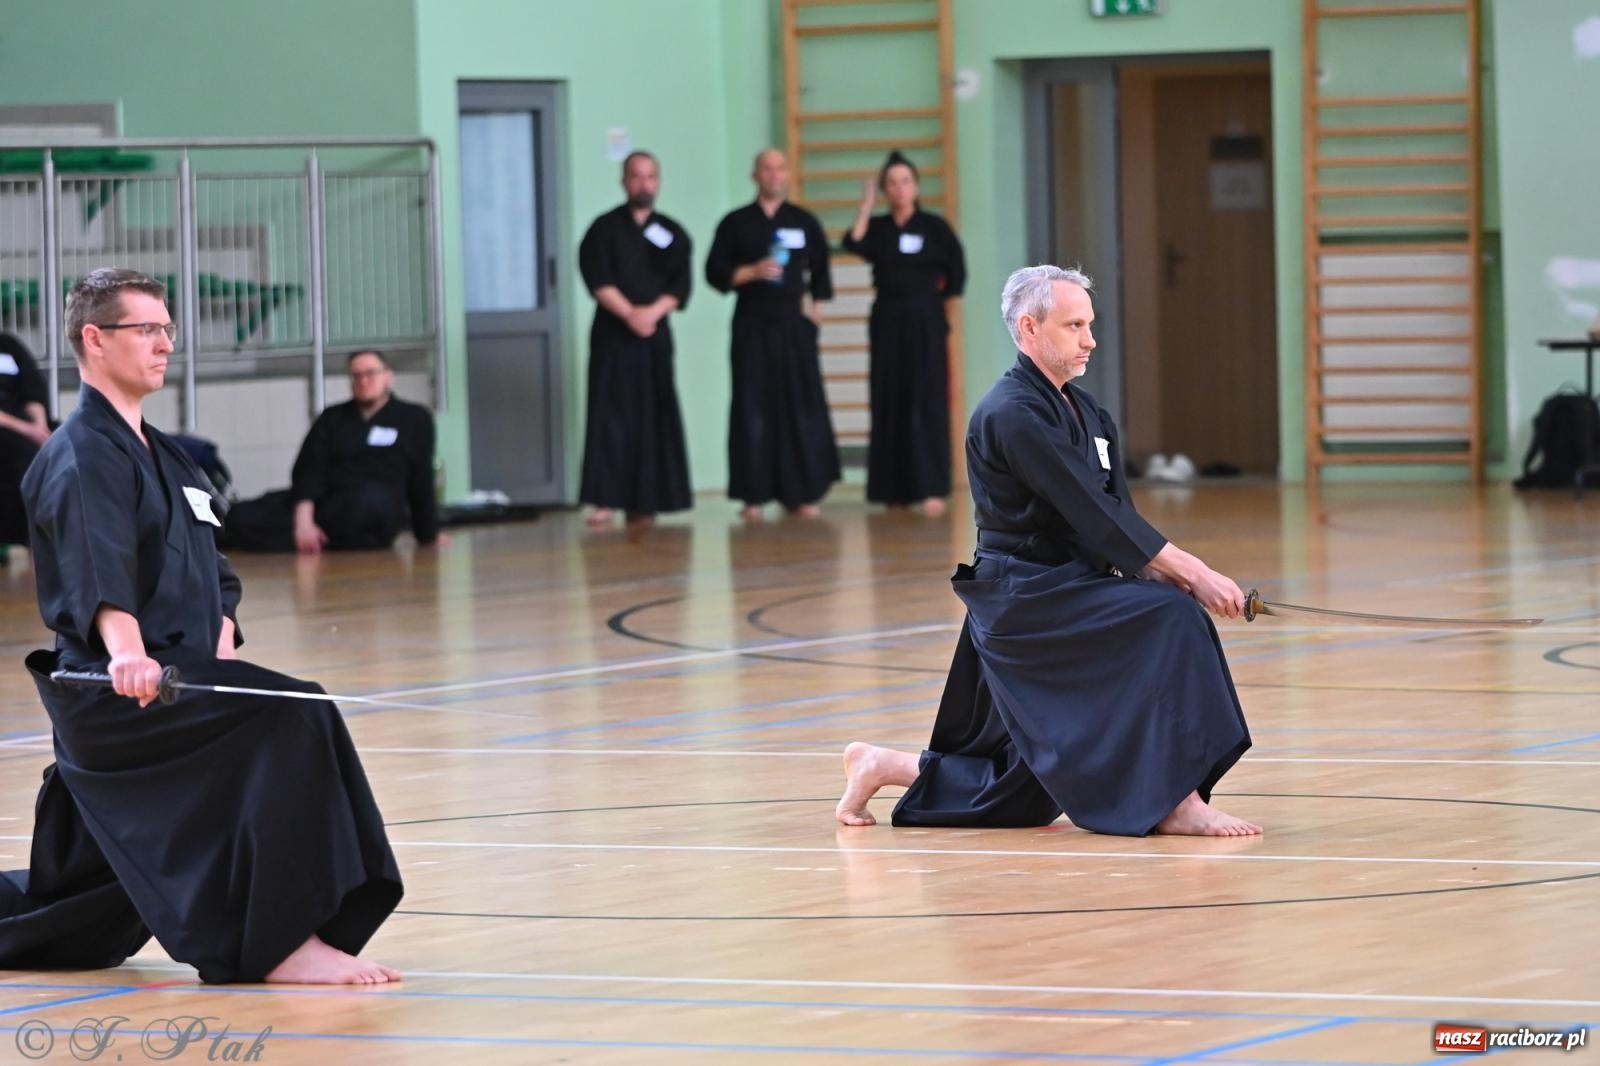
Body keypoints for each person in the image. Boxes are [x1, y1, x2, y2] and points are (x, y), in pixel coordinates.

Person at [0, 268, 403, 984]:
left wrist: (222, 639)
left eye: (167, 329)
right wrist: (127, 654)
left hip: (185, 681)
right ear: (94, 340)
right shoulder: (80, 452)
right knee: (291, 718)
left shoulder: (173, 454)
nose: (164, 345)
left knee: (72, 919)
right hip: (120, 697)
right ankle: (279, 944)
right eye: (146, 329)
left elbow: (212, 567)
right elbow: (101, 563)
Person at [835, 265, 1261, 838]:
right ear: (1029, 329)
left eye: (1090, 324)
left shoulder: (1091, 414)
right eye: (1074, 325)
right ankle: (1176, 800)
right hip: (1026, 596)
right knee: (1172, 622)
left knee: (1029, 791)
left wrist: (1164, 574)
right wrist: (1195, 574)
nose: (1089, 339)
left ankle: (882, 764)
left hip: (1072, 586)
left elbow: (1119, 514)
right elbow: (1091, 511)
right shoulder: (1011, 413)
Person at [705, 148, 839, 520]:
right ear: (755, 175)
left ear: (788, 175)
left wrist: (813, 318)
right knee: (752, 405)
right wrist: (749, 271)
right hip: (751, 323)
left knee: (800, 405)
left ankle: (803, 492)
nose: (774, 174)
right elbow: (714, 272)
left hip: (793, 326)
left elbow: (822, 275)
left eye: (780, 168)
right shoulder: (736, 223)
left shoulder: (803, 221)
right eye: (766, 168)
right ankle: (753, 496)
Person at [221, 349, 445, 553]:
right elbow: (309, 469)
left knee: (364, 505)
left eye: (370, 373)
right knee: (239, 516)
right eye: (356, 375)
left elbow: (421, 480)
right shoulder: (333, 418)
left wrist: (428, 535)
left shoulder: (415, 418)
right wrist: (304, 522)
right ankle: (305, 534)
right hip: (326, 503)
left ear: (388, 376)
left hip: (373, 510)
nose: (363, 381)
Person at [842, 151, 967, 516]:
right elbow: (853, 243)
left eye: (905, 181)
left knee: (926, 398)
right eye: (891, 183)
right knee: (889, 396)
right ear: (884, 189)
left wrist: (940, 309)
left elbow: (957, 275)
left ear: (916, 186)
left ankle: (931, 487)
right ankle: (893, 489)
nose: (899, 188)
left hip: (926, 318)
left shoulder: (934, 227)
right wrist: (866, 205)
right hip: (888, 320)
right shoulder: (878, 227)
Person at [577, 150, 694, 533]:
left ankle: (650, 500)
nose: (643, 184)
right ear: (624, 182)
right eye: (636, 176)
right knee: (610, 415)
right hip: (614, 335)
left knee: (654, 416)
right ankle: (606, 499)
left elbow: (680, 285)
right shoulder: (603, 229)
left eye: (650, 177)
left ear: (658, 182)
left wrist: (651, 313)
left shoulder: (672, 232)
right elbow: (597, 280)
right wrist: (629, 313)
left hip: (655, 336)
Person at [0, 330, 51, 551]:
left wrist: (40, 426)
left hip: (24, 424)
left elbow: (32, 390)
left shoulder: (9, 345)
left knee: (63, 445)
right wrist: (27, 430)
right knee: (21, 453)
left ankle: (46, 536)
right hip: (10, 428)